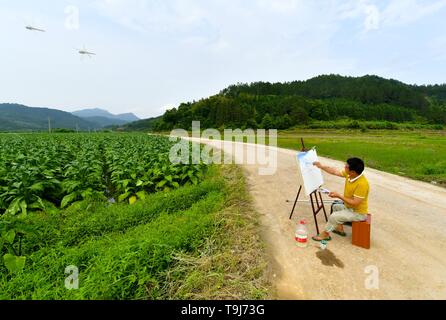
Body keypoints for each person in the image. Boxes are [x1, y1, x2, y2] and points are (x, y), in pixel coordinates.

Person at [311, 158, 370, 242]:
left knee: (333, 217)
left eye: (346, 166)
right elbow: (334, 171)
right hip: (349, 208)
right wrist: (321, 166)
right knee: (335, 206)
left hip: (358, 213)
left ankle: (326, 234)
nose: (344, 167)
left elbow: (355, 203)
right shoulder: (350, 175)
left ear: (353, 172)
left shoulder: (362, 184)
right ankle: (339, 229)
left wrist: (339, 196)